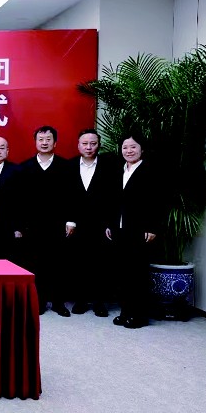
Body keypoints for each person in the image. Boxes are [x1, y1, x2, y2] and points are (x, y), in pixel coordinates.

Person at [105, 133, 162, 329]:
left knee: (137, 274)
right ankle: (125, 312)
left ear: (142, 149)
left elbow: (157, 202)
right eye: (125, 147)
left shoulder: (150, 170)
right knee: (123, 273)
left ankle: (138, 316)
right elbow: (113, 200)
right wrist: (110, 224)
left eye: (133, 147)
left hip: (140, 230)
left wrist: (152, 227)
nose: (128, 151)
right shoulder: (119, 170)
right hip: (120, 229)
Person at [19, 125, 74, 317]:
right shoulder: (25, 167)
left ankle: (58, 302)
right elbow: (20, 199)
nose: (44, 143)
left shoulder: (66, 166)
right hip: (32, 225)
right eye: (40, 139)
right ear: (35, 142)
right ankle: (40, 301)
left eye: (48, 139)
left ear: (55, 142)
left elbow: (72, 196)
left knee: (58, 263)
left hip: (57, 224)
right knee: (35, 262)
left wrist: (71, 221)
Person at [66, 129, 118, 317]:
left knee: (101, 264)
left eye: (93, 143)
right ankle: (80, 300)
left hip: (101, 224)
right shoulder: (69, 165)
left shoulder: (110, 166)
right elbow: (65, 196)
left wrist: (110, 223)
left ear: (99, 145)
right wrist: (70, 220)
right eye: (85, 143)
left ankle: (99, 302)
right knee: (79, 262)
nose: (89, 147)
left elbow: (115, 196)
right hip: (77, 223)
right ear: (78, 145)